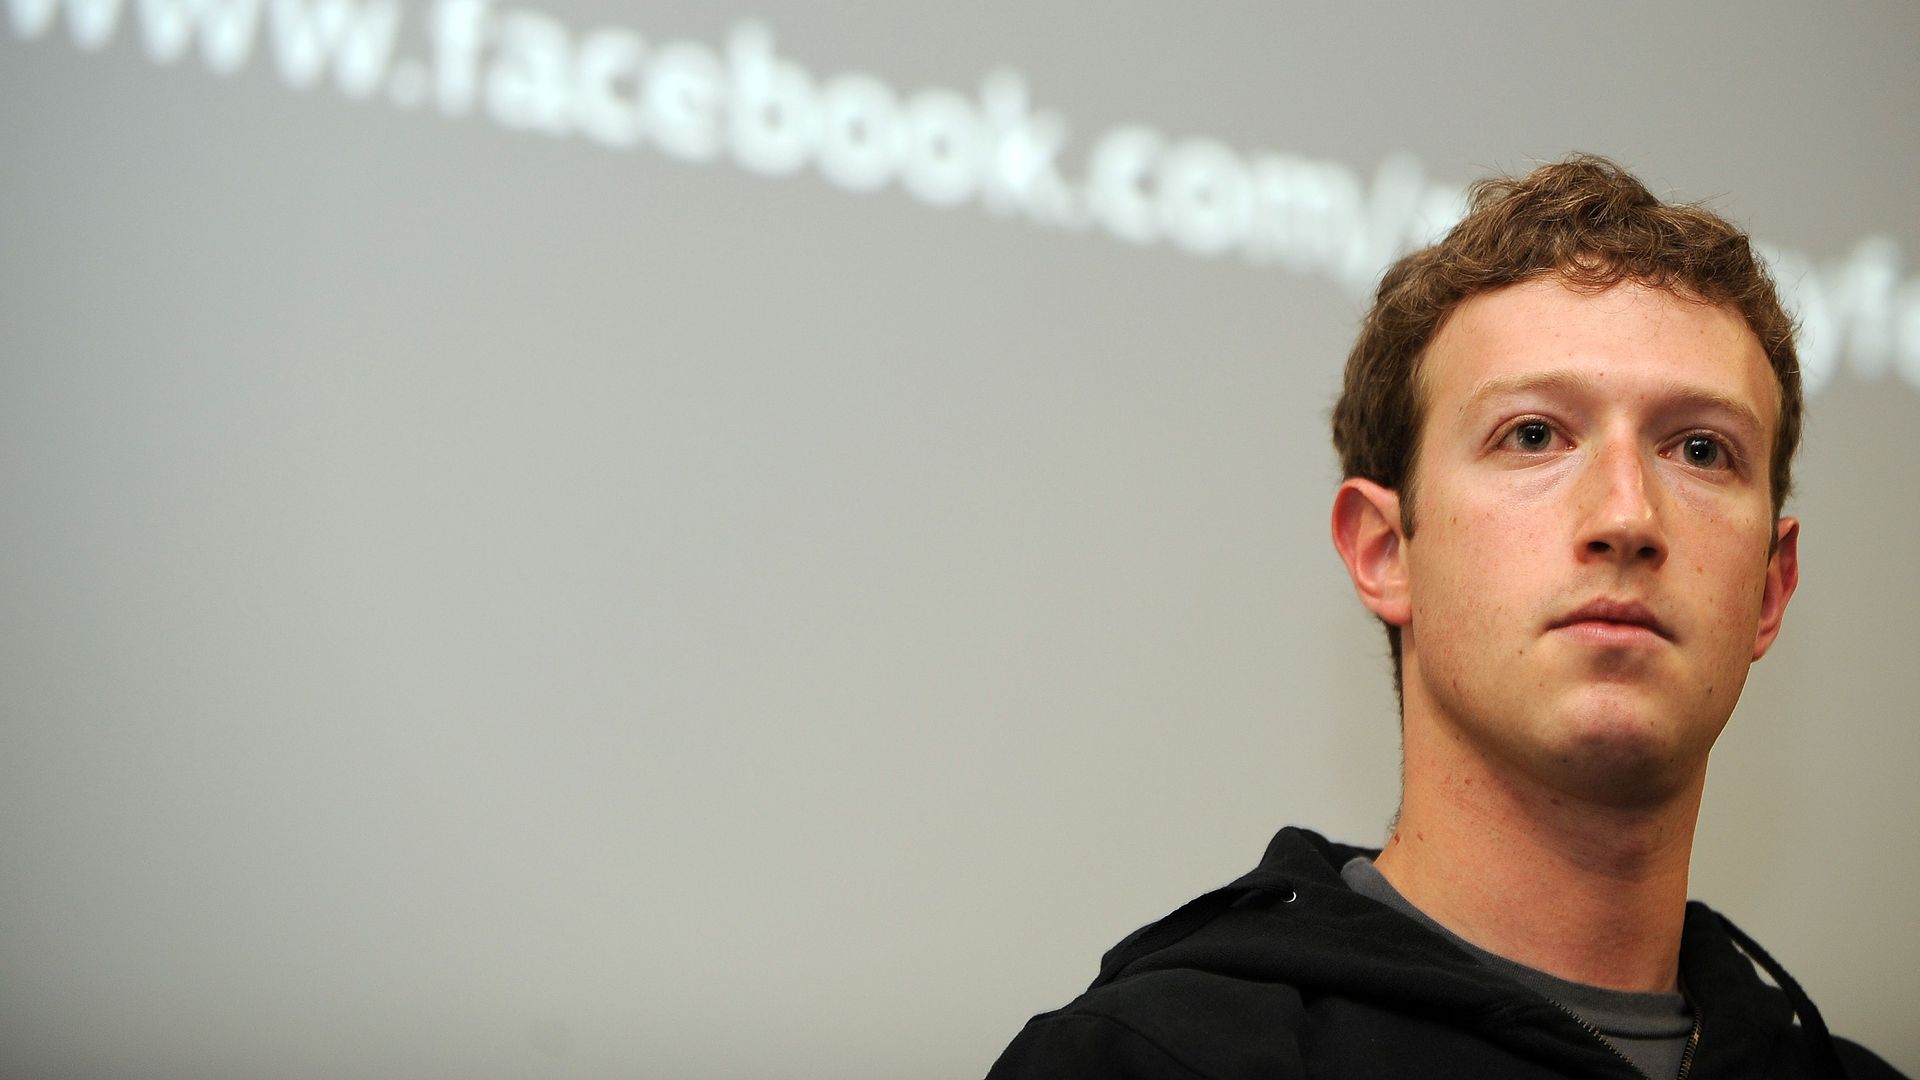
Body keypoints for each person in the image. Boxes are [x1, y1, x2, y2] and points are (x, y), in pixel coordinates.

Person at [984, 155, 1908, 1080]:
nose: (1628, 517)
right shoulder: (1149, 1062)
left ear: (1770, 589)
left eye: (1701, 449)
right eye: (1535, 434)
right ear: (1386, 552)